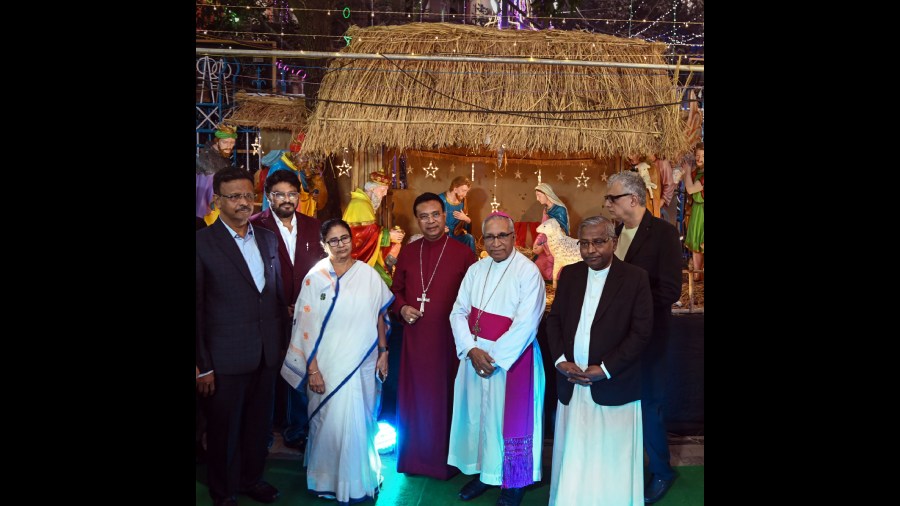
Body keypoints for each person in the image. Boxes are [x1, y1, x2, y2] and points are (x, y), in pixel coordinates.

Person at [280, 219, 393, 504]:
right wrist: (312, 370)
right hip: (327, 365)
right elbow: (304, 328)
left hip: (363, 361)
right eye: (334, 240)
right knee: (329, 422)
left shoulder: (367, 274)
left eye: (345, 238)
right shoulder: (315, 278)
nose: (341, 245)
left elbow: (379, 315)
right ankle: (326, 479)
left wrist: (383, 351)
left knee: (361, 419)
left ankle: (361, 478)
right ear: (323, 244)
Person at [546, 216, 654, 505]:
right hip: (572, 382)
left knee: (611, 457)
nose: (590, 250)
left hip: (614, 384)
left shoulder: (635, 278)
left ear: (613, 243)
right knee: (575, 451)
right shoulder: (570, 275)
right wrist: (560, 361)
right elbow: (554, 320)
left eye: (598, 242)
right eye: (584, 243)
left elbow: (641, 332)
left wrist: (605, 369)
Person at [196, 167, 287, 506]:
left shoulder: (267, 238)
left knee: (258, 425)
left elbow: (273, 294)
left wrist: (280, 345)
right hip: (224, 358)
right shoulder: (202, 243)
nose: (243, 202)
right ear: (217, 201)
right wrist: (202, 365)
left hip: (266, 353)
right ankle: (223, 490)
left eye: (249, 195)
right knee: (224, 430)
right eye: (234, 196)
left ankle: (252, 480)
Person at [447, 212, 546, 506]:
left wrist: (493, 359)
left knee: (505, 420)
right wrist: (471, 349)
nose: (496, 242)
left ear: (513, 237)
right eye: (489, 237)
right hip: (475, 356)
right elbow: (458, 312)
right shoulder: (476, 270)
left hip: (510, 361)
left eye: (502, 235)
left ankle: (513, 482)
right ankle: (485, 473)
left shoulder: (528, 272)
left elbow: (527, 323)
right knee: (480, 417)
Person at [604, 170, 682, 504]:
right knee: (621, 402)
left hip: (650, 336)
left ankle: (662, 471)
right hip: (615, 338)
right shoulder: (613, 233)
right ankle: (624, 466)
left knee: (650, 404)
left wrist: (630, 307)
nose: (607, 203)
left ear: (633, 199)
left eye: (612, 198)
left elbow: (670, 290)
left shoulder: (664, 233)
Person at [391, 192, 478, 479]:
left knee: (445, 397)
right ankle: (413, 459)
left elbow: (473, 299)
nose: (430, 221)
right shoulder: (408, 252)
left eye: (435, 215)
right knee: (415, 397)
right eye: (424, 216)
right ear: (417, 220)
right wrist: (402, 308)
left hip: (449, 342)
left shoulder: (463, 253)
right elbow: (395, 291)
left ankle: (445, 461)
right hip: (415, 339)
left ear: (444, 216)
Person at [250, 169, 325, 451]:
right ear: (268, 196)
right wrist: (281, 306)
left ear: (299, 196)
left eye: (292, 194)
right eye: (279, 194)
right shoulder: (255, 226)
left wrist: (307, 303)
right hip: (269, 314)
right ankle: (265, 432)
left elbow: (323, 267)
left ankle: (297, 430)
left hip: (307, 313)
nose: (286, 199)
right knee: (269, 372)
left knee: (301, 369)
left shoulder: (313, 226)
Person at [343, 171, 405, 285]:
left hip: (366, 255)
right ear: (372, 189)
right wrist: (388, 235)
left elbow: (371, 230)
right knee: (383, 281)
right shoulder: (360, 204)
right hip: (359, 259)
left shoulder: (365, 203)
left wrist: (389, 233)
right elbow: (362, 235)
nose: (385, 194)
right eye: (382, 190)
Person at [259, 133, 317, 216]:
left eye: (308, 158)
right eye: (304, 157)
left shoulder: (298, 168)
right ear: (294, 154)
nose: (306, 161)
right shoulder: (279, 168)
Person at [197, 123, 238, 225]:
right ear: (217, 141)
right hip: (206, 211)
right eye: (225, 142)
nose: (229, 146)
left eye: (232, 142)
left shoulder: (222, 157)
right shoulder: (207, 158)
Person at [532, 183, 570, 282]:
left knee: (555, 266)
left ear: (547, 194)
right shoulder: (546, 209)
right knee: (539, 264)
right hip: (547, 243)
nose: (537, 199)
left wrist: (543, 245)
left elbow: (560, 231)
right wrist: (537, 242)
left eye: (539, 196)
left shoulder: (560, 210)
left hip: (557, 244)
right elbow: (543, 228)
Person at [683, 143, 704, 282]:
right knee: (696, 243)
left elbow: (691, 189)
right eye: (697, 155)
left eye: (703, 156)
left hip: (703, 210)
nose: (699, 159)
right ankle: (697, 275)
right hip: (696, 210)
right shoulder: (697, 172)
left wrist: (687, 171)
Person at [438, 176, 476, 253]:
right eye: (463, 191)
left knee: (469, 238)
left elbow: (467, 229)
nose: (465, 195)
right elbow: (430, 220)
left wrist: (466, 219)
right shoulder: (439, 199)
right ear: (455, 189)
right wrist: (439, 229)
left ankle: (472, 260)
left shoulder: (463, 202)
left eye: (467, 192)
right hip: (442, 236)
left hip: (456, 235)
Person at [648, 154, 676, 226]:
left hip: (658, 203)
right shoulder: (644, 162)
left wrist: (663, 200)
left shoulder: (662, 163)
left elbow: (669, 184)